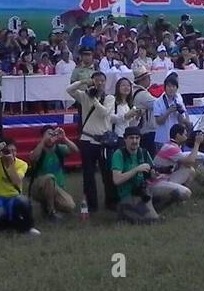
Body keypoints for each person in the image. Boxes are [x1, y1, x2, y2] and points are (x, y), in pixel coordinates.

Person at [67, 71, 117, 217]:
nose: (99, 83)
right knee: (88, 175)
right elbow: (69, 90)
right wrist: (83, 83)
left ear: (105, 82)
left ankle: (111, 202)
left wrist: (94, 98)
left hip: (103, 141)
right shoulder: (84, 96)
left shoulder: (109, 98)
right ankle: (92, 204)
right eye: (96, 80)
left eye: (102, 80)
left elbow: (104, 113)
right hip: (87, 140)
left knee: (107, 173)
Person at [0, 140, 39, 236]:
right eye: (8, 151)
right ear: (1, 152)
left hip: (15, 197)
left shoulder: (22, 164)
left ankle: (28, 227)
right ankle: (0, 226)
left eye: (14, 151)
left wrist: (11, 164)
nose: (11, 153)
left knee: (24, 201)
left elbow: (16, 181)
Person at [27, 125, 77, 221]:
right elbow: (32, 157)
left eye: (52, 134)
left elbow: (76, 150)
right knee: (50, 178)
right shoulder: (39, 149)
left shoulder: (59, 148)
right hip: (39, 187)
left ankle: (47, 206)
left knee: (70, 206)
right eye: (48, 134)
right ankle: (51, 212)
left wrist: (64, 138)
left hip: (57, 187)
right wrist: (43, 141)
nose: (51, 137)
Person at [110, 129, 160, 223]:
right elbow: (116, 180)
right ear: (125, 139)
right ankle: (125, 211)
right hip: (128, 194)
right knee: (153, 220)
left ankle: (148, 209)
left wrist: (155, 174)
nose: (135, 141)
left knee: (180, 193)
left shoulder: (143, 152)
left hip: (144, 190)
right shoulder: (119, 154)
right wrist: (136, 169)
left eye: (137, 138)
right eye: (131, 138)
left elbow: (153, 173)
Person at [154, 123, 204, 192]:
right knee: (189, 170)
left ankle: (181, 193)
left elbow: (186, 163)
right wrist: (197, 143)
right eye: (184, 134)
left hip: (162, 176)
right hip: (160, 180)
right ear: (178, 135)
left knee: (188, 168)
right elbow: (190, 161)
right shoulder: (171, 148)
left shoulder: (169, 145)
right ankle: (180, 194)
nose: (186, 136)